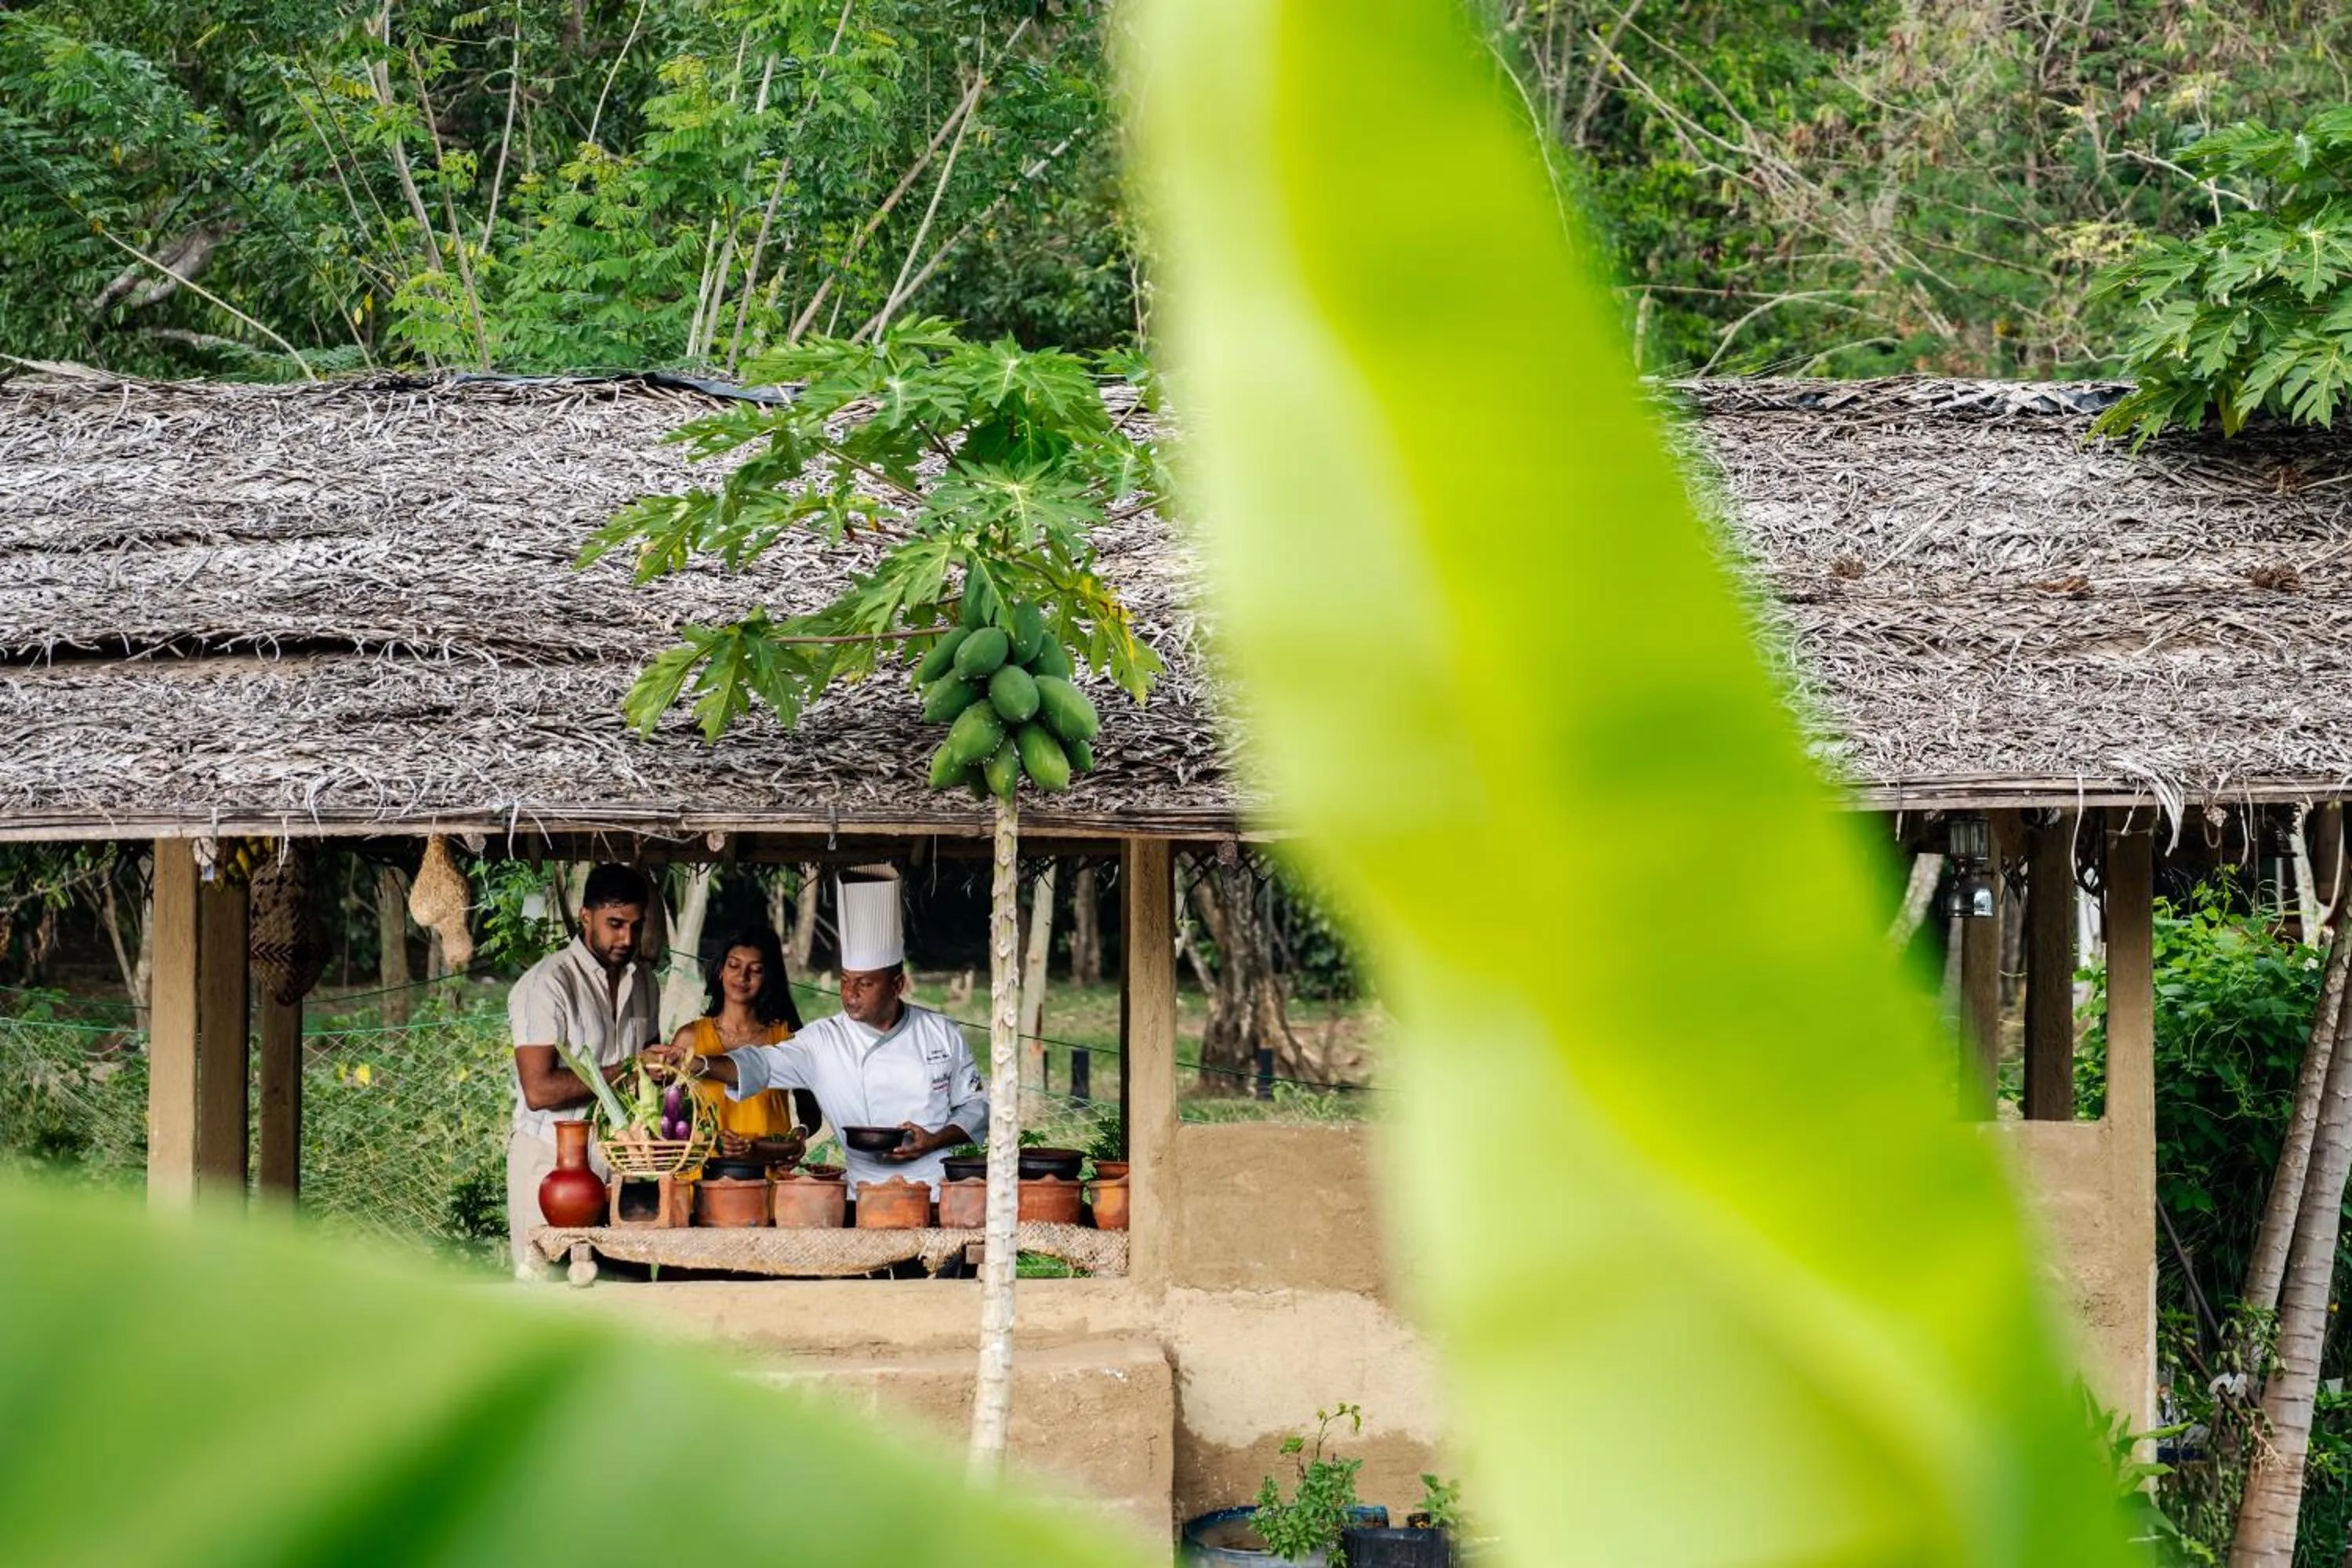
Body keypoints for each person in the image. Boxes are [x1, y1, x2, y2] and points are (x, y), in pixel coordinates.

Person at [654, 869, 987, 1196]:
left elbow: (976, 1106)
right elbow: (760, 1064)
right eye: (845, 981)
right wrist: (698, 1064)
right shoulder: (823, 1040)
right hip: (862, 1194)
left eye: (865, 983)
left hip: (936, 1193)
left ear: (897, 985)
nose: (850, 993)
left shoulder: (941, 1032)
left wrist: (936, 1138)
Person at [505, 863, 660, 1278]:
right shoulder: (547, 983)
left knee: (623, 1288)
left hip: (621, 1159)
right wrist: (629, 1068)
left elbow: (646, 1065)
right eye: (614, 924)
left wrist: (660, 1066)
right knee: (547, 1295)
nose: (626, 938)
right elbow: (539, 1090)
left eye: (635, 925)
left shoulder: (644, 980)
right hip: (550, 1161)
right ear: (585, 917)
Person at [670, 924, 818, 1167]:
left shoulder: (786, 1036)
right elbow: (671, 1119)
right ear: (720, 971)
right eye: (734, 965)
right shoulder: (690, 1038)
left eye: (756, 970)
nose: (742, 977)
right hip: (703, 1179)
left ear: (768, 977)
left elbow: (810, 1110)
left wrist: (797, 1136)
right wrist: (709, 1139)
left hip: (769, 1176)